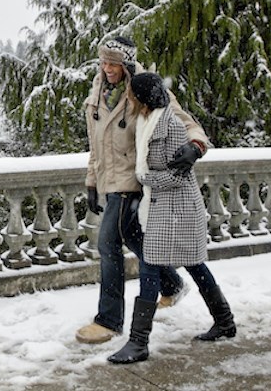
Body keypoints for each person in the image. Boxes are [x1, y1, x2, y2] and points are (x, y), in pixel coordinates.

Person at [76, 37, 210, 345]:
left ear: (126, 63)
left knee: (108, 245)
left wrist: (195, 146)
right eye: (104, 62)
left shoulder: (144, 88)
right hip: (109, 182)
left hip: (134, 182)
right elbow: (95, 145)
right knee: (135, 238)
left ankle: (109, 320)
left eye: (114, 63)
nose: (107, 68)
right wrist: (91, 183)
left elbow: (184, 121)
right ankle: (172, 283)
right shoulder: (97, 92)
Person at [107, 72, 236, 363]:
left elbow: (179, 176)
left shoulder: (171, 126)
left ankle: (138, 342)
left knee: (150, 268)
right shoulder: (147, 121)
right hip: (165, 208)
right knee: (194, 265)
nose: (128, 96)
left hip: (176, 209)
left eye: (132, 93)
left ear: (142, 98)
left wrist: (146, 178)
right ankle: (225, 321)